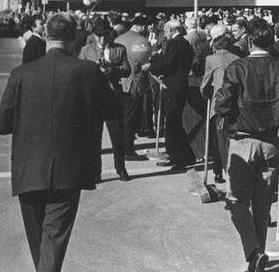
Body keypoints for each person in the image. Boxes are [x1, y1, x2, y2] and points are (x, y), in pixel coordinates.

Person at [0, 13, 118, 272]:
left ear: (46, 35)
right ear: (72, 36)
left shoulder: (20, 74)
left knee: (43, 247)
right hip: (68, 169)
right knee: (51, 245)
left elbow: (1, 125)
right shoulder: (87, 71)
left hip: (27, 171)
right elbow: (112, 110)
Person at [214, 18, 279, 272]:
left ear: (250, 40)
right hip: (273, 141)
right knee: (263, 205)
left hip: (243, 140)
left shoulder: (237, 67)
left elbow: (223, 103)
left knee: (236, 201)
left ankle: (254, 252)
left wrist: (226, 117)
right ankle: (258, 261)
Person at [78, 17, 138, 182]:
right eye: (99, 36)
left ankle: (121, 169)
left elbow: (126, 70)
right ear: (94, 35)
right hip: (94, 98)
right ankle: (95, 172)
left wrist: (112, 69)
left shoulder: (119, 49)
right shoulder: (86, 50)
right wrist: (94, 69)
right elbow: (79, 73)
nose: (102, 39)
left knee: (117, 136)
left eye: (105, 35)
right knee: (94, 138)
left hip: (113, 97)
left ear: (110, 34)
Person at [147, 18, 195, 169]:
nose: (165, 34)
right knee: (175, 123)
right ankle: (185, 155)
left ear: (172, 30)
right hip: (180, 84)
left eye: (167, 31)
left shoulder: (174, 43)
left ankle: (177, 156)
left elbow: (166, 64)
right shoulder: (185, 43)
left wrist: (152, 64)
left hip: (172, 86)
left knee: (172, 123)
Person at [203, 28, 240, 183]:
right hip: (234, 103)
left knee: (216, 141)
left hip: (218, 103)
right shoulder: (237, 58)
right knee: (231, 139)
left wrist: (206, 93)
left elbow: (205, 83)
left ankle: (218, 172)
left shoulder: (211, 59)